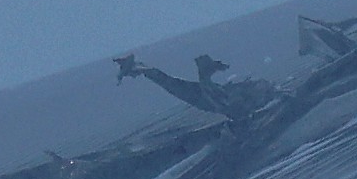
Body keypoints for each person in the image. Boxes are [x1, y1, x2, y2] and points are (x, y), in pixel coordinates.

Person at [113, 53, 279, 122]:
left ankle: (138, 67)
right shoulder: (243, 100)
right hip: (209, 97)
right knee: (171, 83)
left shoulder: (249, 97)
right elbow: (230, 105)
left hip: (210, 96)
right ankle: (138, 67)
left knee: (171, 83)